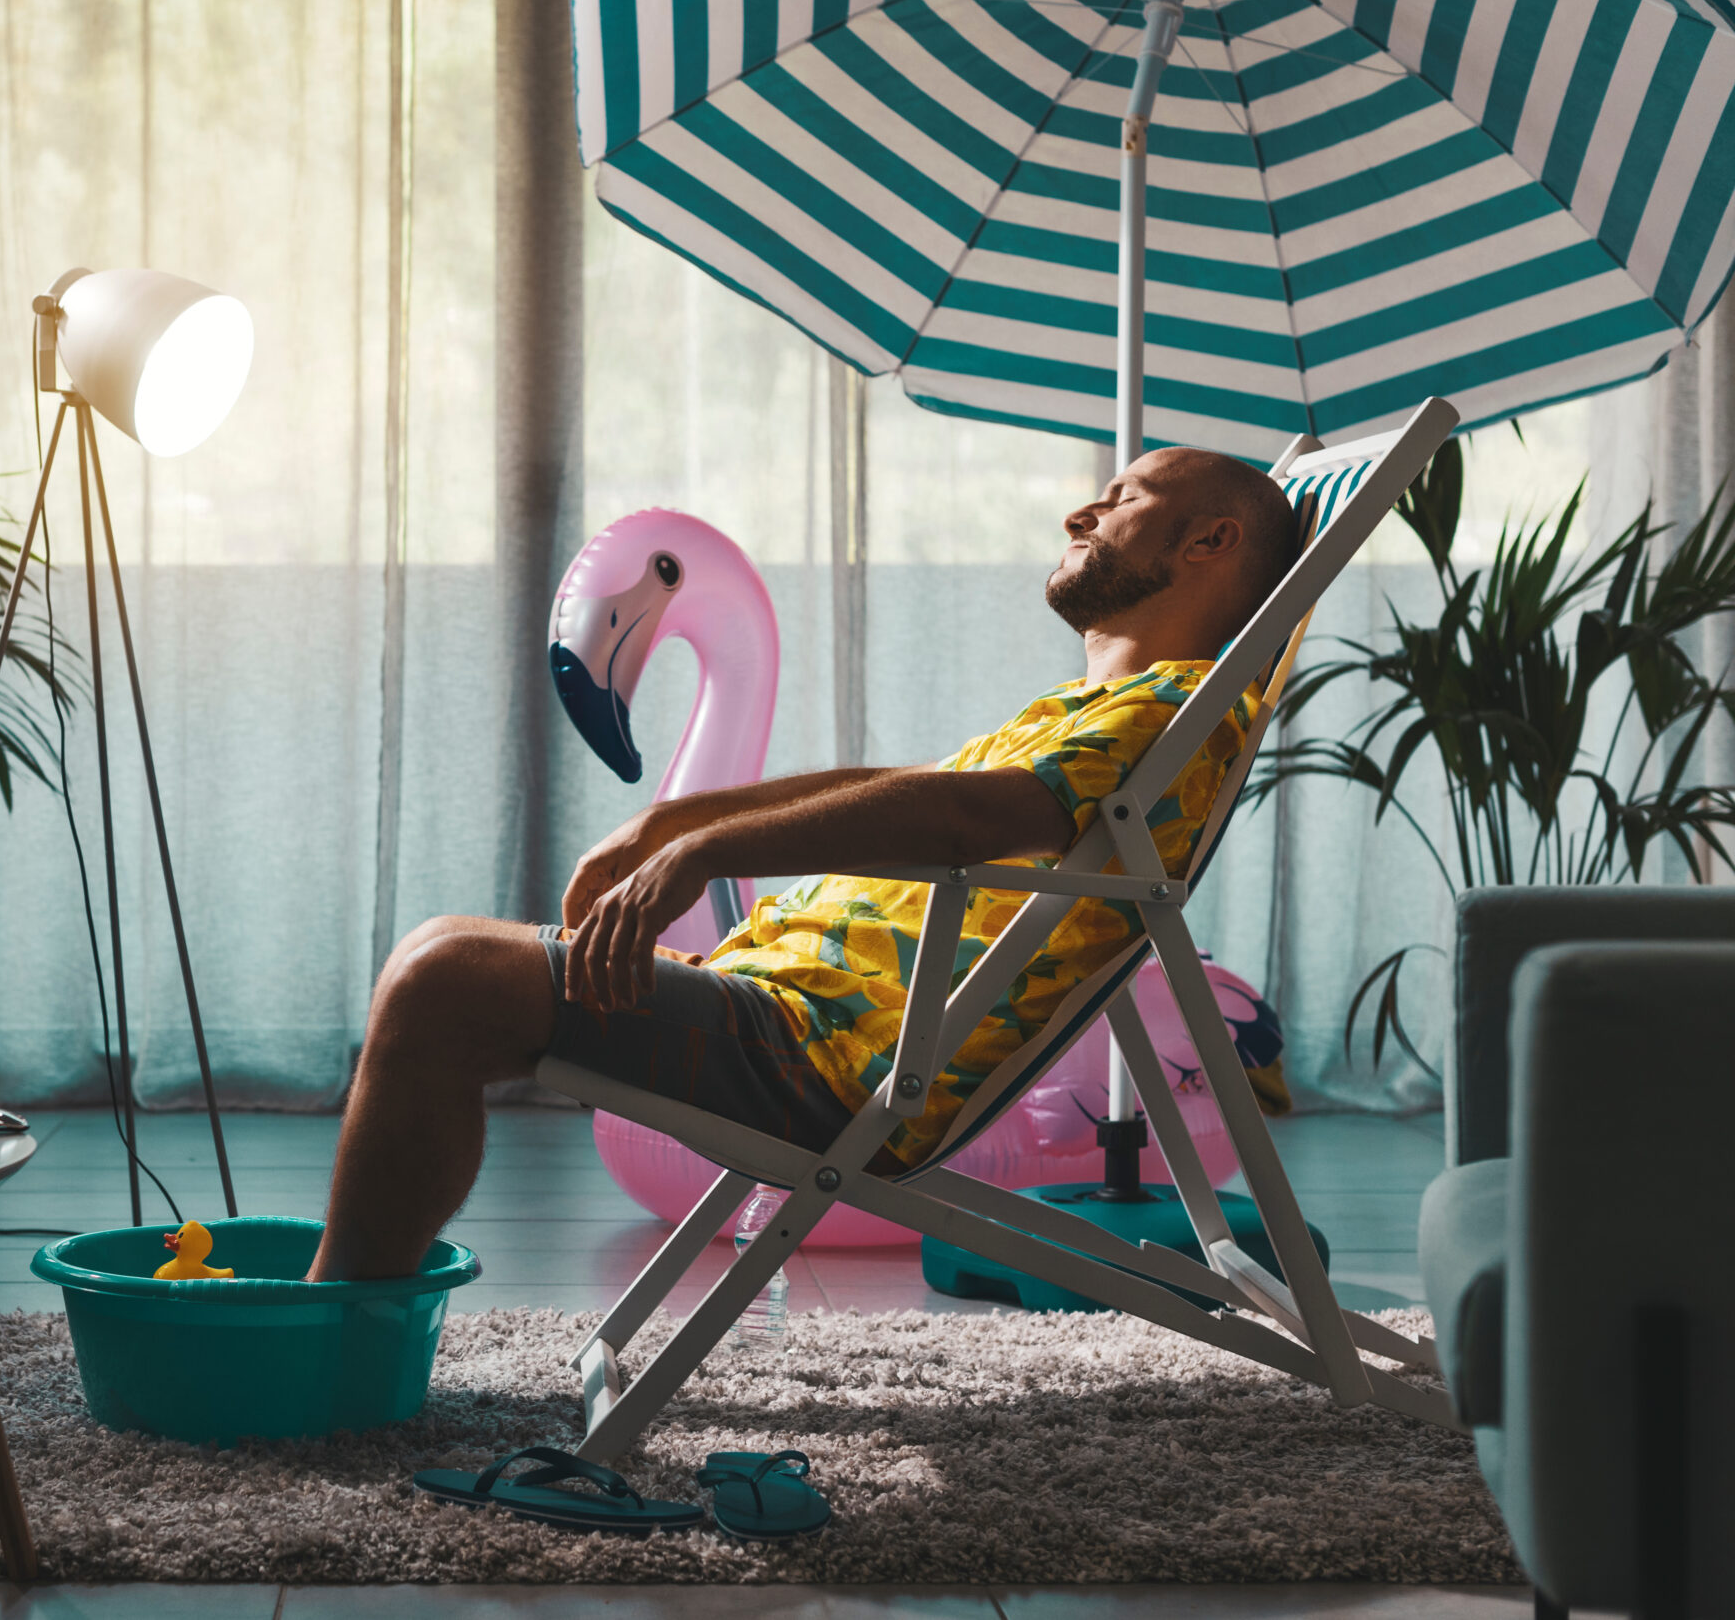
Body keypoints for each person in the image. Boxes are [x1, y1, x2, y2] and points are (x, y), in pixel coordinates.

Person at [306, 446, 1299, 1282]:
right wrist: (676, 820)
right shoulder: (1086, 713)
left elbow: (960, 817)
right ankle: (354, 1301)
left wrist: (708, 849)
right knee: (446, 957)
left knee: (443, 978)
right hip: (785, 1011)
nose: (1081, 512)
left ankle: (338, 1325)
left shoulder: (1168, 712)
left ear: (1209, 541)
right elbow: (910, 785)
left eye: (1123, 498)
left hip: (825, 1061)